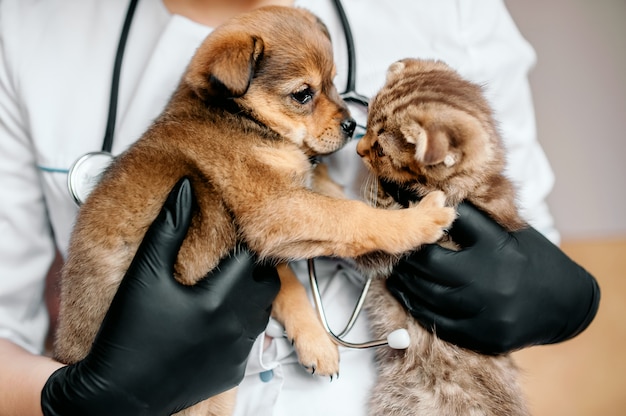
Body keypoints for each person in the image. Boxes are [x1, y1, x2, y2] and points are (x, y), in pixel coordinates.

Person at [0, 0, 600, 415]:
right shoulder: (29, 30)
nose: (338, 117)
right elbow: (272, 223)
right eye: (305, 97)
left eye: (332, 89)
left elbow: (524, 227)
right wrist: (69, 402)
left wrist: (550, 294)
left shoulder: (451, 8)